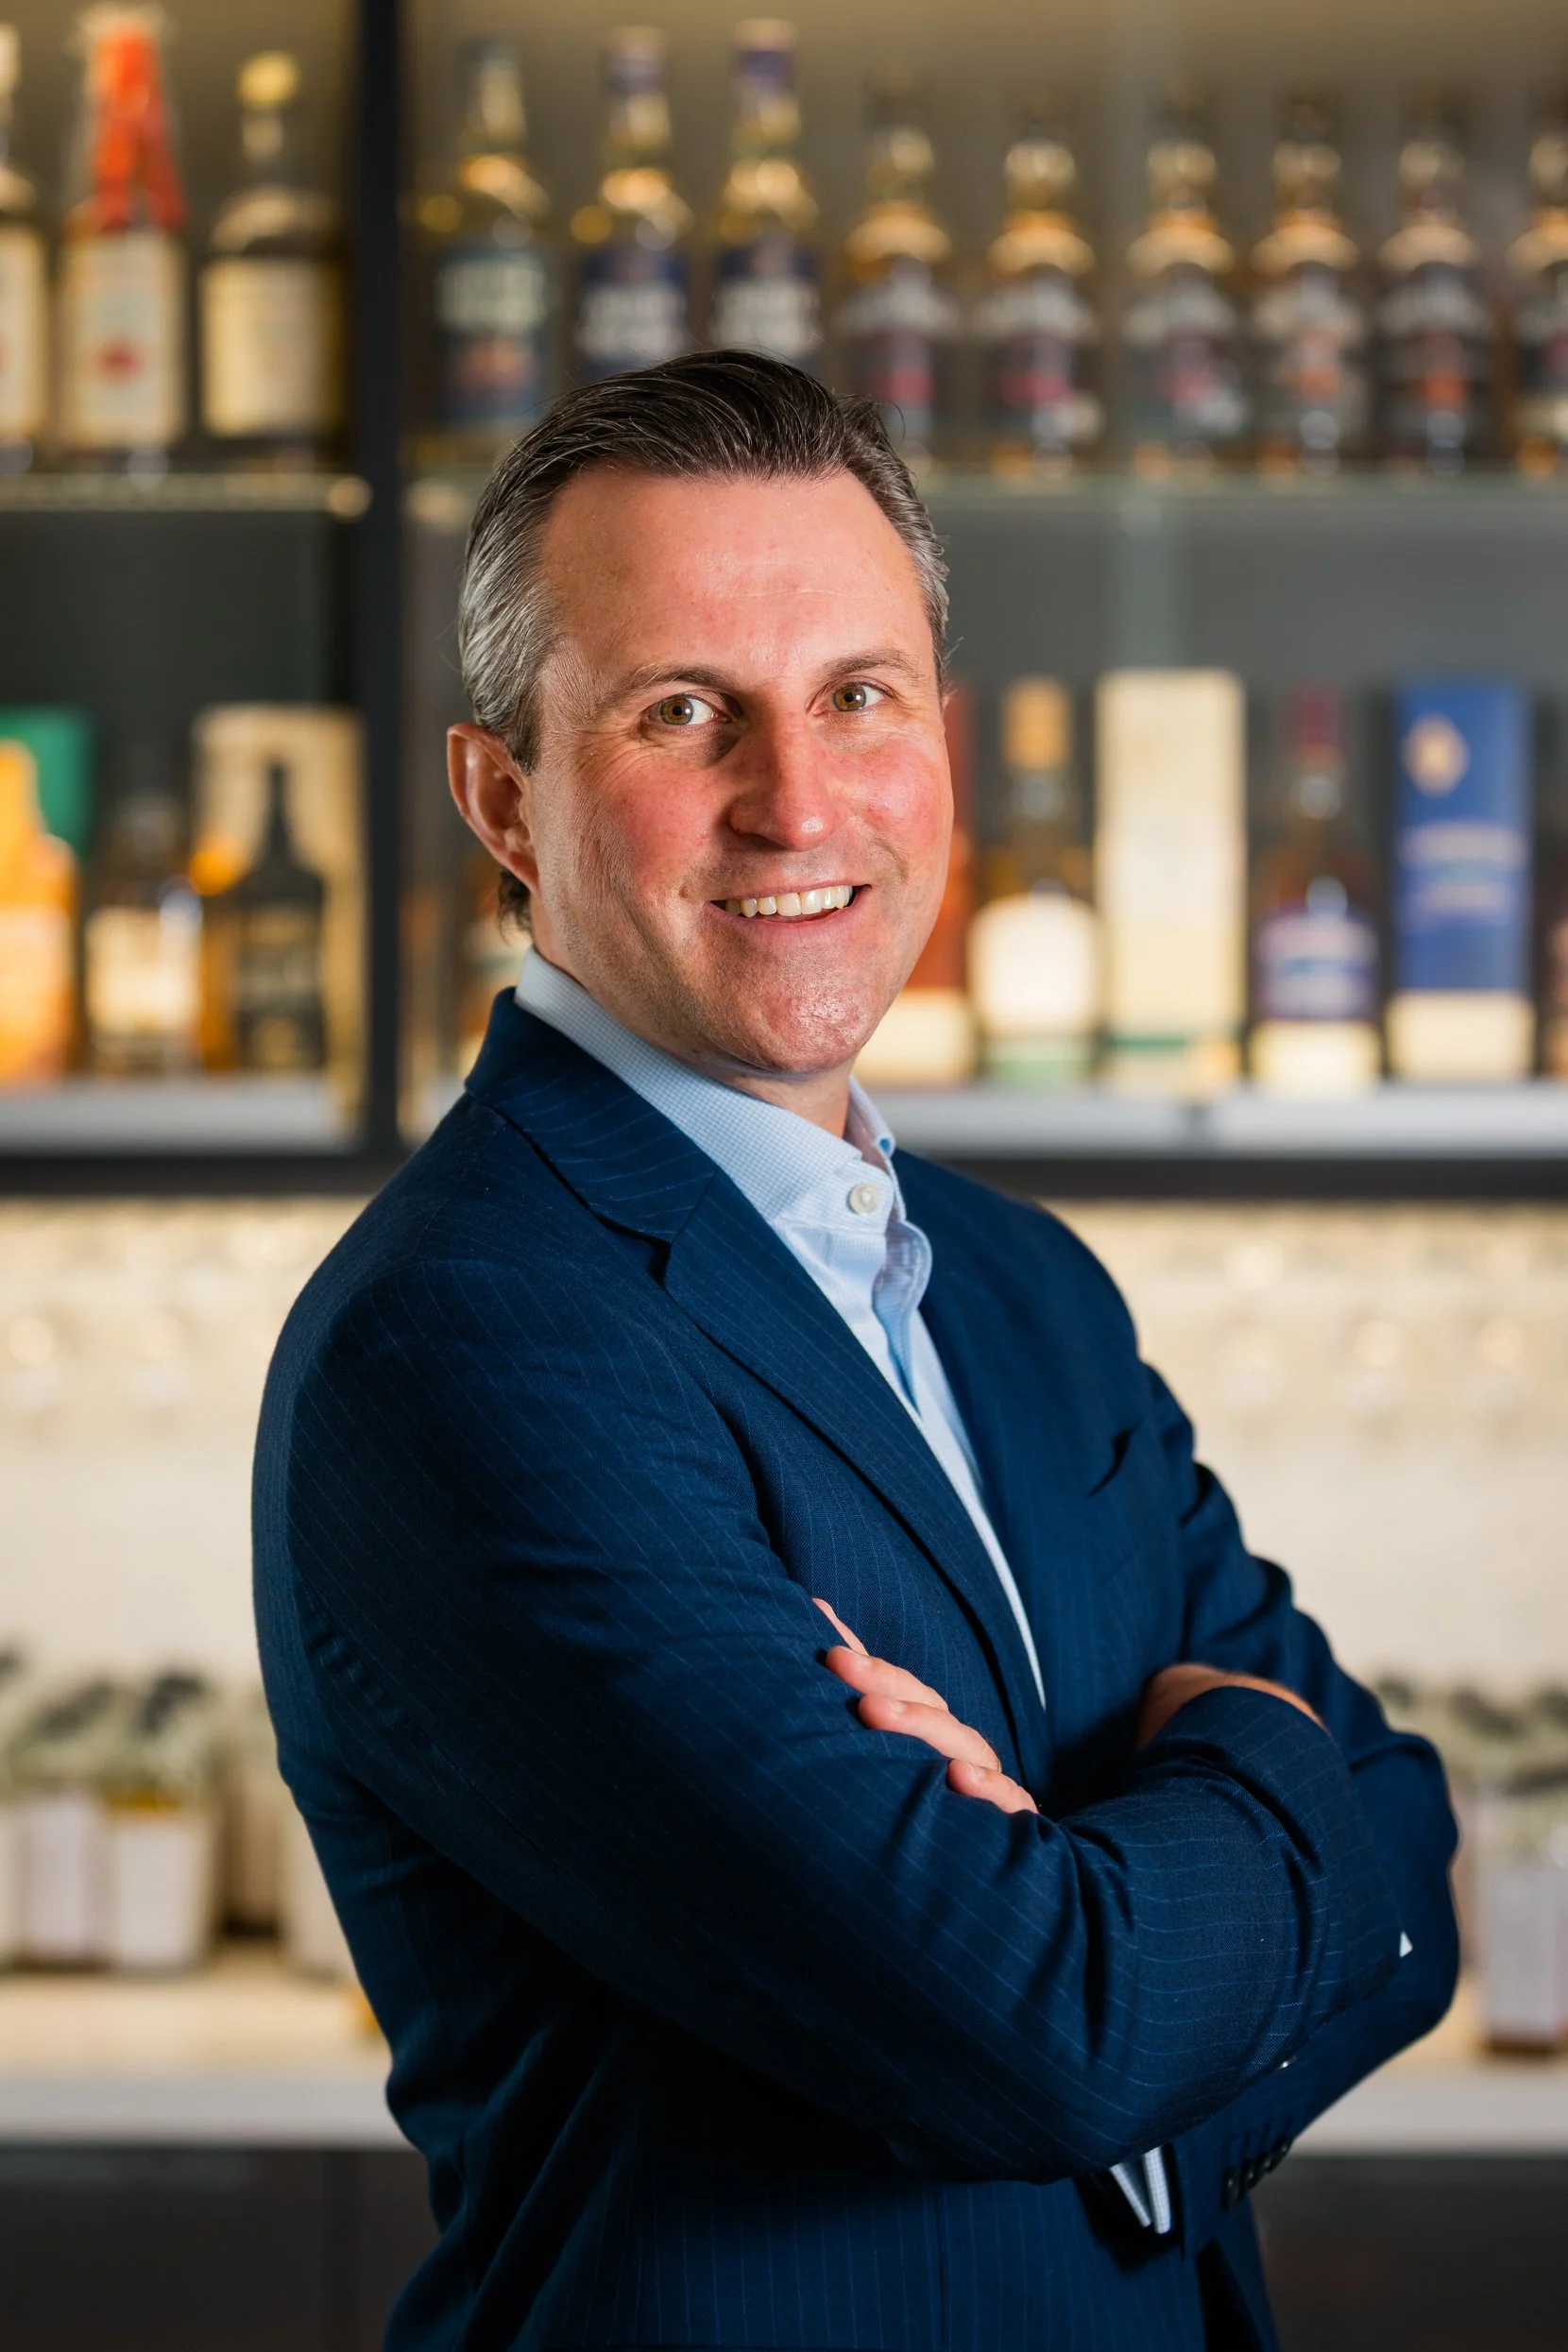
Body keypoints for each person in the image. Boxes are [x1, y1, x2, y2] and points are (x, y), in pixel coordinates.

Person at [254, 351, 1457, 2352]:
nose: (796, 801)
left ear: (942, 746)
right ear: (504, 800)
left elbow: (1413, 1866)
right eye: (681, 711)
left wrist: (1100, 1919)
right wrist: (1252, 1753)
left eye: (859, 697)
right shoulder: (465, 1342)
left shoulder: (1025, 1287)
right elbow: (1047, 2029)